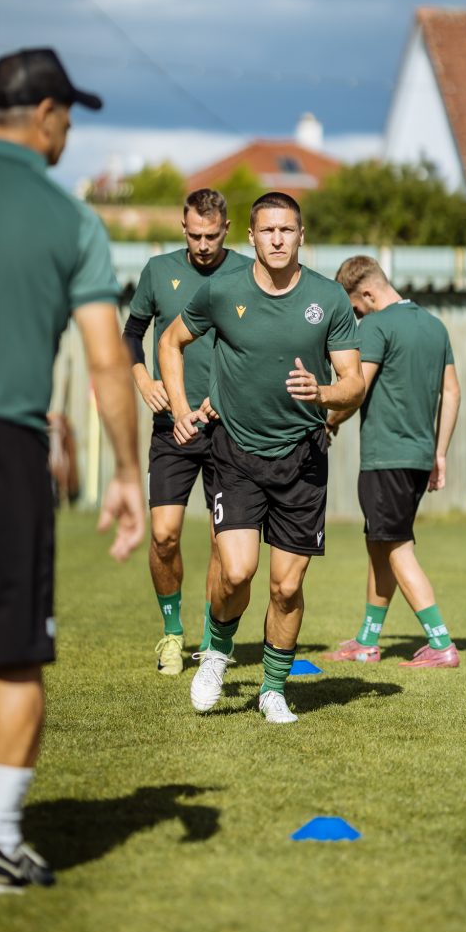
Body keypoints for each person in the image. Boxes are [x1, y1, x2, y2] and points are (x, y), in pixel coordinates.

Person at [0, 48, 145, 894]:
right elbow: (107, 361)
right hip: (5, 446)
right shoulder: (70, 220)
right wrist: (126, 470)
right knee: (15, 656)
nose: (70, 131)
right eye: (69, 116)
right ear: (45, 114)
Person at [159, 192, 364, 723]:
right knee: (236, 572)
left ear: (301, 236)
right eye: (267, 230)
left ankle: (273, 689)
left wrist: (322, 393)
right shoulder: (222, 290)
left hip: (303, 458)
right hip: (236, 452)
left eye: (287, 230)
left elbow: (355, 382)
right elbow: (170, 342)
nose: (277, 239)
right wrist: (179, 407)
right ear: (250, 236)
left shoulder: (328, 299)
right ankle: (216, 655)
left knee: (287, 587)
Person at [123, 189, 251, 676]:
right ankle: (172, 634)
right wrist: (143, 380)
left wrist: (228, 393)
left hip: (228, 427)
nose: (202, 245)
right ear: (183, 228)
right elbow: (132, 334)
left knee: (223, 542)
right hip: (170, 427)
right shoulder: (158, 270)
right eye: (194, 235)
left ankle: (211, 643)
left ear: (227, 229)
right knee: (163, 535)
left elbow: (258, 346)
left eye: (211, 236)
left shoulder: (248, 272)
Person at [323, 256, 461, 669]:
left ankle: (440, 643)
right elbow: (452, 392)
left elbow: (355, 390)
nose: (356, 316)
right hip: (417, 458)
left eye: (355, 307)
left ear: (367, 293)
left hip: (386, 458)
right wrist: (439, 452)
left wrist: (328, 421)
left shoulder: (376, 326)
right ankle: (367, 641)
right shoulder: (435, 326)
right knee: (380, 545)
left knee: (397, 547)